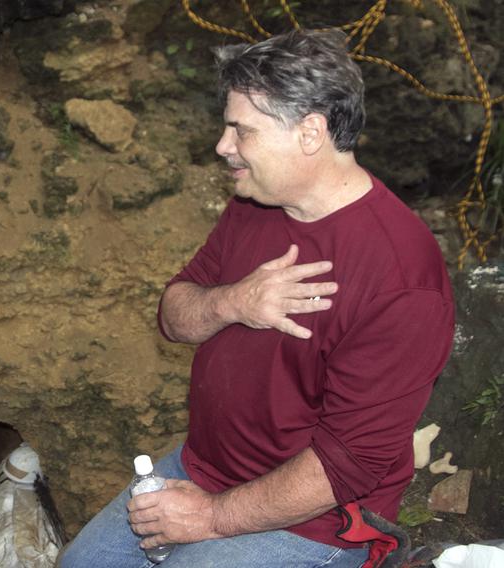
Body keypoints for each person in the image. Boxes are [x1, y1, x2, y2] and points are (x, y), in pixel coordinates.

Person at [59, 29, 454, 567]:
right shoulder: (257, 203)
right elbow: (173, 315)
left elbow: (349, 464)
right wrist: (233, 302)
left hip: (317, 521)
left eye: (241, 130)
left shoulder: (402, 279)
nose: (224, 147)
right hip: (202, 466)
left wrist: (211, 518)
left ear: (310, 132)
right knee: (82, 564)